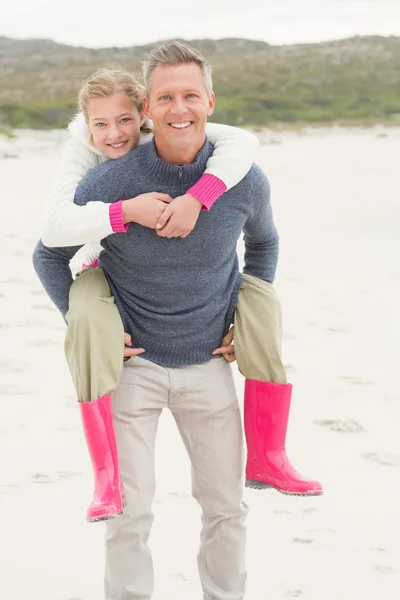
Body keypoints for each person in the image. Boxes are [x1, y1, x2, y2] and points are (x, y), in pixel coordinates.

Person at [33, 41, 320, 598]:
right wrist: (87, 324)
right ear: (148, 108)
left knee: (225, 509)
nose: (179, 107)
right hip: (133, 371)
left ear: (210, 102)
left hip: (210, 365)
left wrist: (246, 316)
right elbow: (48, 253)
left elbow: (264, 243)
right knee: (128, 514)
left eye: (190, 94)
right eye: (165, 96)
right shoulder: (108, 182)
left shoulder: (244, 178)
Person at [39, 67, 262, 522]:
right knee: (87, 316)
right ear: (86, 126)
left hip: (202, 352)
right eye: (100, 124)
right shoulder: (83, 157)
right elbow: (50, 237)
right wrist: (127, 211)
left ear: (142, 114)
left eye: (124, 120)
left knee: (226, 506)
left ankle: (270, 454)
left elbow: (242, 142)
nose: (114, 134)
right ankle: (104, 477)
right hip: (99, 264)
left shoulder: (165, 132)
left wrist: (200, 195)